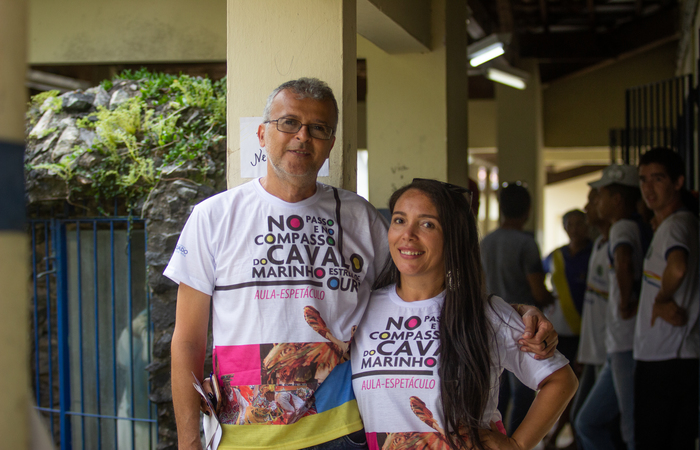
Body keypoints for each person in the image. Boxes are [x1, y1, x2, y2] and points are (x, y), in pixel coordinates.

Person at [165, 78, 557, 450]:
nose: (303, 136)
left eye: (318, 128)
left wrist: (512, 313)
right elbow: (187, 340)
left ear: (331, 142)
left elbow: (417, 288)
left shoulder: (359, 217)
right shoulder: (213, 217)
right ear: (262, 133)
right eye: (289, 123)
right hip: (241, 433)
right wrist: (188, 442)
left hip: (341, 433)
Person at [351, 179, 578, 450]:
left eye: (427, 224)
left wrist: (518, 444)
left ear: (453, 236)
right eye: (399, 220)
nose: (407, 234)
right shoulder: (362, 307)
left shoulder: (486, 314)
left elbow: (560, 379)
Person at [576, 164, 650, 450]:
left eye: (601, 196)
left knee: (630, 426)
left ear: (617, 200)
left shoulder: (622, 227)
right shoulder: (625, 229)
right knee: (588, 421)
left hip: (626, 341)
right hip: (616, 344)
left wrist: (624, 302)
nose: (595, 203)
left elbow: (623, 260)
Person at [633, 148, 699, 450]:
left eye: (657, 178)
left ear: (677, 182)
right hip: (676, 356)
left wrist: (661, 300)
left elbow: (677, 267)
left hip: (666, 357)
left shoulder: (675, 224)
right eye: (643, 179)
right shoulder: (674, 224)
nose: (648, 187)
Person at [481, 182, 555, 434]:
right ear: (528, 210)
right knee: (524, 392)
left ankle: (496, 436)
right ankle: (515, 441)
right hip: (521, 329)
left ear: (501, 208)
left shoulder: (486, 242)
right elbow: (537, 290)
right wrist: (547, 301)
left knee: (495, 394)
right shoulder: (526, 243)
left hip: (488, 325)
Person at [541, 209, 592, 449]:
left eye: (579, 223)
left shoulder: (593, 252)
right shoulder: (556, 256)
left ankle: (563, 435)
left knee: (580, 388)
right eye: (570, 224)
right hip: (560, 331)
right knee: (561, 386)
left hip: (587, 331)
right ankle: (558, 434)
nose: (574, 228)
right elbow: (537, 277)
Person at [569, 189, 613, 448]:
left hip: (612, 349)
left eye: (594, 200)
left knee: (588, 421)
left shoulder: (619, 239)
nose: (587, 208)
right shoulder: (600, 244)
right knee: (581, 419)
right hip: (595, 349)